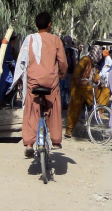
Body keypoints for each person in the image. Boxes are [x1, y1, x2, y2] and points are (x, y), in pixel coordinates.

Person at [12, 12, 68, 157]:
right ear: (50, 25)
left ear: (36, 25)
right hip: (51, 82)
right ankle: (55, 141)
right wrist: (62, 75)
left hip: (33, 81)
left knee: (31, 109)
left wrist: (20, 78)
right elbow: (62, 62)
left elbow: (22, 60)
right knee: (54, 106)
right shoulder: (56, 40)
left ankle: (29, 143)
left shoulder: (29, 39)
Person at [64, 46, 97, 138]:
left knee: (100, 94)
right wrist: (78, 78)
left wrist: (98, 80)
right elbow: (77, 70)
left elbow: (96, 75)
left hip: (86, 87)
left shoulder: (94, 64)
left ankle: (95, 114)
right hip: (78, 87)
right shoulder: (85, 59)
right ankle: (69, 130)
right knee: (74, 109)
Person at [60, 36, 78, 109]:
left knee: (61, 89)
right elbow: (74, 62)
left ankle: (61, 104)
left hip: (60, 72)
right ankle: (66, 104)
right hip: (69, 72)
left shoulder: (61, 50)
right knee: (67, 89)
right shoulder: (72, 51)